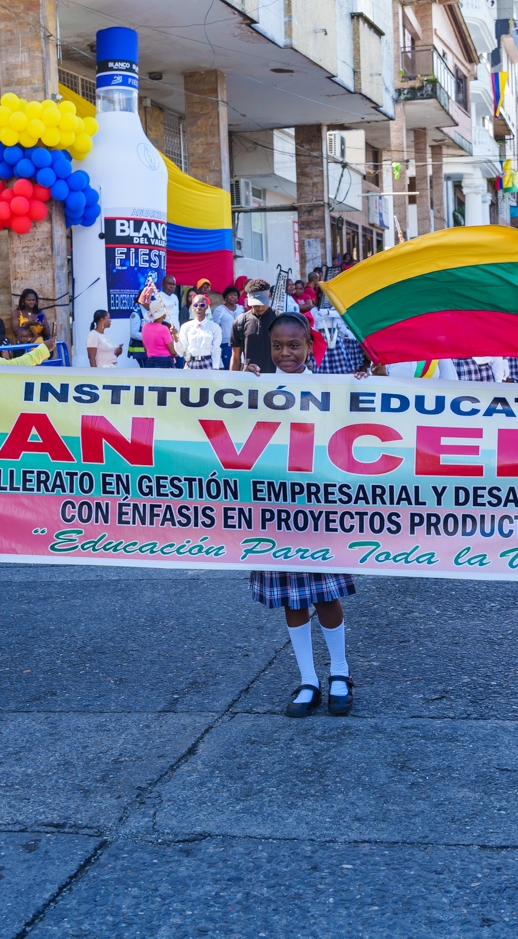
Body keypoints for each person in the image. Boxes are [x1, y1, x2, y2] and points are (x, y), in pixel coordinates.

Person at [243, 312, 357, 716]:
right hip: (275, 507)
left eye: (294, 345)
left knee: (326, 594)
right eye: (278, 346)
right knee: (292, 598)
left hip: (318, 506)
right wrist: (243, 384)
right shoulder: (255, 385)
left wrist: (367, 386)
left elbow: (355, 421)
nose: (286, 353)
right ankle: (308, 678)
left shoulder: (329, 386)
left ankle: (340, 671)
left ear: (310, 346)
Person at [229, 279, 279, 372]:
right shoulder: (240, 322)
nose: (260, 307)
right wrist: (233, 381)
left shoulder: (281, 320)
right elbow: (235, 357)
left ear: (269, 296)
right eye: (256, 304)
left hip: (277, 379)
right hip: (248, 379)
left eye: (263, 303)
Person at [177, 293, 223, 369]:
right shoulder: (185, 327)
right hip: (190, 363)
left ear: (206, 307)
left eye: (202, 305)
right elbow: (181, 352)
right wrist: (176, 340)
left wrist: (215, 368)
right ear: (192, 308)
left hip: (207, 362)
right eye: (195, 305)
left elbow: (216, 350)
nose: (198, 307)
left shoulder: (214, 327)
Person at [213, 286, 239, 368]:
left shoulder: (241, 309)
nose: (233, 297)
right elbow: (215, 327)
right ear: (225, 297)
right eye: (230, 295)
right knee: (228, 367)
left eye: (235, 295)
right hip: (225, 343)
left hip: (239, 343)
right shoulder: (219, 310)